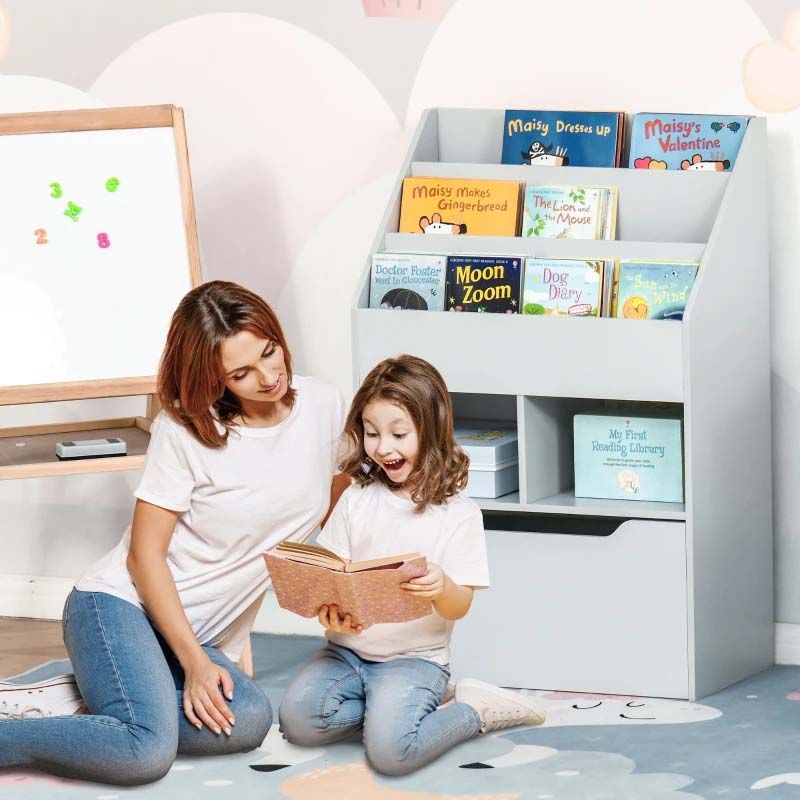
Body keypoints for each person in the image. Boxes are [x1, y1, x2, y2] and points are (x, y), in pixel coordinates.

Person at [0, 281, 348, 786]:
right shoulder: (186, 431)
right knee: (144, 751)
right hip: (120, 606)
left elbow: (330, 508)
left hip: (199, 635)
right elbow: (144, 558)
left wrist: (341, 587)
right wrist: (193, 663)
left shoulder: (325, 405)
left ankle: (83, 700)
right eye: (241, 373)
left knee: (248, 719)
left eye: (270, 353)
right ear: (214, 377)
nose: (268, 377)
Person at [278, 354, 545, 776]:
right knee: (297, 722)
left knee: (391, 753)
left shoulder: (458, 514)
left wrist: (442, 587)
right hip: (346, 654)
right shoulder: (357, 497)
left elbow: (460, 607)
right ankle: (391, 711)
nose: (383, 447)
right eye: (371, 433)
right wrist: (329, 611)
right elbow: (333, 573)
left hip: (415, 659)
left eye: (398, 433)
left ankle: (474, 709)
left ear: (431, 430)